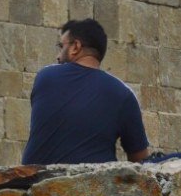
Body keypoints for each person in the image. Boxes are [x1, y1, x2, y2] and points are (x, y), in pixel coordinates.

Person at [22, 18, 151, 164]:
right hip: (92, 184)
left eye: (60, 46)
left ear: (75, 47)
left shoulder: (45, 76)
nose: (57, 56)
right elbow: (140, 160)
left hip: (34, 183)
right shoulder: (123, 94)